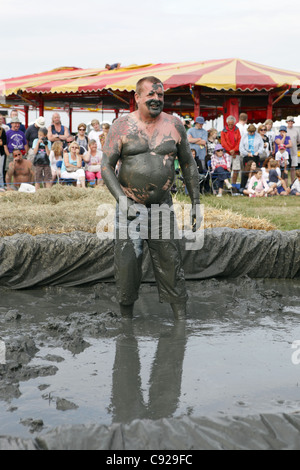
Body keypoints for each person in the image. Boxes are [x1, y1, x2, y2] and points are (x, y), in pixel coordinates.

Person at [101, 75, 200, 320]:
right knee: (127, 266)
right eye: (151, 95)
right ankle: (126, 324)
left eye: (161, 95)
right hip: (129, 206)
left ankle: (180, 323)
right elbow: (106, 166)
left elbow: (188, 164)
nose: (156, 99)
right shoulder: (122, 126)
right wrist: (121, 201)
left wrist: (196, 202)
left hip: (162, 208)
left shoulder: (175, 125)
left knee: (171, 262)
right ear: (137, 97)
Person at [220, 115, 241, 184]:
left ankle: (234, 184)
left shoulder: (237, 130)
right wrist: (230, 151)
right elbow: (223, 143)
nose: (230, 125)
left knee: (236, 169)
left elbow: (239, 141)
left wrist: (234, 150)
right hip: (227, 153)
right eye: (229, 124)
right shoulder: (223, 131)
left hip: (236, 152)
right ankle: (227, 184)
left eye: (232, 124)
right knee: (227, 169)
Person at [286, 116, 300, 183]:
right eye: (289, 121)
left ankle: (292, 183)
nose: (290, 122)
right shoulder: (284, 129)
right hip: (286, 152)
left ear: (293, 122)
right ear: (287, 122)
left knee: (293, 168)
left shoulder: (296, 130)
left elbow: (298, 141)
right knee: (285, 168)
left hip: (294, 152)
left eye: (291, 121)